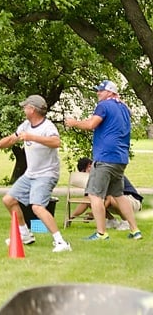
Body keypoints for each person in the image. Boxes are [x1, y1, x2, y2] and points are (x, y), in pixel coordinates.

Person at [0, 95, 71, 253]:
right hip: (31, 174)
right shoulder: (26, 125)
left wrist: (32, 137)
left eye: (25, 107)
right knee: (8, 200)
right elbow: (12, 139)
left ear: (32, 109)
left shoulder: (48, 126)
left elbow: (56, 142)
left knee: (37, 207)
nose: (23, 109)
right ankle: (24, 234)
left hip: (47, 174)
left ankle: (61, 242)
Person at [64, 80, 143, 240]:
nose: (98, 93)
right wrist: (121, 100)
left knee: (94, 195)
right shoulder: (123, 108)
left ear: (111, 93)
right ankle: (135, 230)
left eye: (101, 91)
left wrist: (73, 123)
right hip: (120, 158)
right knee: (118, 195)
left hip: (105, 157)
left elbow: (92, 124)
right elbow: (128, 113)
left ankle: (101, 233)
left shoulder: (104, 106)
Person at [68, 157, 144, 230]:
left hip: (131, 200)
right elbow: (85, 201)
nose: (85, 175)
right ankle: (112, 221)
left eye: (85, 172)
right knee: (92, 198)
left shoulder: (105, 172)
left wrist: (95, 213)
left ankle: (126, 222)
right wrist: (70, 218)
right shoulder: (95, 178)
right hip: (117, 201)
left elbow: (110, 198)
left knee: (111, 198)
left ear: (90, 166)